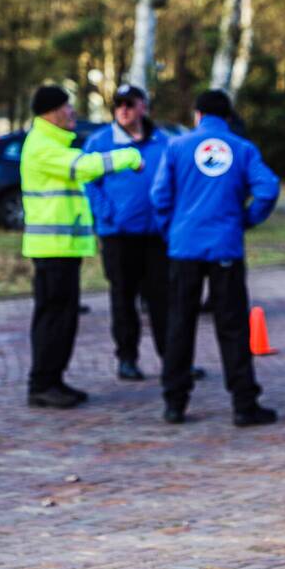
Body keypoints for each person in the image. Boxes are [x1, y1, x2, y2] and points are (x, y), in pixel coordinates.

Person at [151, 89, 280, 427]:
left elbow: (159, 195)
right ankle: (243, 404)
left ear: (197, 115)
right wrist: (246, 219)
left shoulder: (176, 147)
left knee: (180, 324)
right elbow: (268, 188)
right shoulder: (243, 148)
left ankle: (174, 403)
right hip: (225, 247)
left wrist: (172, 231)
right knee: (233, 327)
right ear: (229, 116)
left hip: (184, 247)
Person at [21, 84, 143, 408]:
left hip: (63, 248)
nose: (73, 112)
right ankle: (43, 384)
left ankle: (53, 380)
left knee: (62, 319)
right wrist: (130, 156)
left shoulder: (50, 143)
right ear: (52, 112)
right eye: (67, 107)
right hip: (53, 249)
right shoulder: (42, 145)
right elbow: (84, 167)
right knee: (54, 319)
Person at [83, 84, 185, 381]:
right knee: (123, 297)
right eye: (118, 105)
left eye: (130, 103)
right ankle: (127, 358)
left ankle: (172, 359)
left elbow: (175, 183)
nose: (123, 109)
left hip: (156, 236)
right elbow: (89, 182)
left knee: (162, 298)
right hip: (118, 235)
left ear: (144, 107)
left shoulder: (164, 142)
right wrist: (107, 214)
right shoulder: (100, 141)